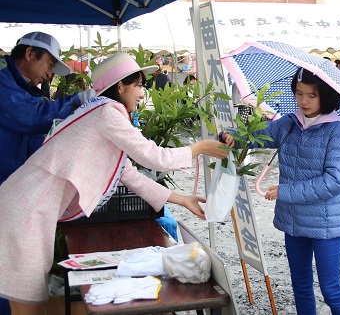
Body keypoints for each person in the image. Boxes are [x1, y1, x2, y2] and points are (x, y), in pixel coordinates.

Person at [0, 53, 231, 315]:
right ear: (120, 86)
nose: (143, 93)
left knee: (33, 302)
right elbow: (155, 157)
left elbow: (128, 174)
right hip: (25, 211)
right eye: (139, 85)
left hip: (26, 206)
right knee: (28, 305)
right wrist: (199, 147)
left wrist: (181, 199)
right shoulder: (108, 112)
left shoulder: (99, 112)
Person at [226, 67, 340, 314]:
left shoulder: (336, 130)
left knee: (331, 289)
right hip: (293, 221)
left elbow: (335, 180)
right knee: (301, 285)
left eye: (311, 96)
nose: (303, 101)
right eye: (298, 93)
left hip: (326, 224)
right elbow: (258, 136)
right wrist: (233, 136)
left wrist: (286, 192)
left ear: (325, 97)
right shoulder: (290, 122)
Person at [0, 31, 95, 185]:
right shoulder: (3, 84)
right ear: (30, 53)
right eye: (50, 65)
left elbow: (34, 144)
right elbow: (30, 119)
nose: (50, 74)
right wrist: (77, 100)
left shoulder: (25, 92)